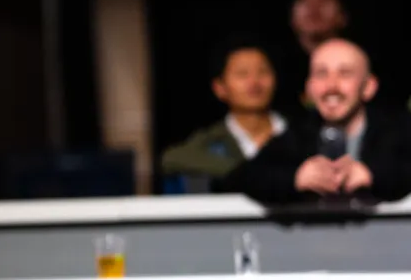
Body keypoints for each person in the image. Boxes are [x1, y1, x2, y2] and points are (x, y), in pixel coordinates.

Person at [222, 38, 411, 205]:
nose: (331, 86)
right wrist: (296, 178)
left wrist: (370, 175)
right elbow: (242, 177)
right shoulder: (300, 132)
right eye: (321, 74)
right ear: (309, 87)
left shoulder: (398, 128)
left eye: (345, 73)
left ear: (368, 86)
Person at [160, 43, 287, 188]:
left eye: (262, 72)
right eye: (242, 74)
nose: (254, 82)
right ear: (220, 88)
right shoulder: (211, 141)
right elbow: (170, 159)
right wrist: (248, 173)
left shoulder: (296, 131)